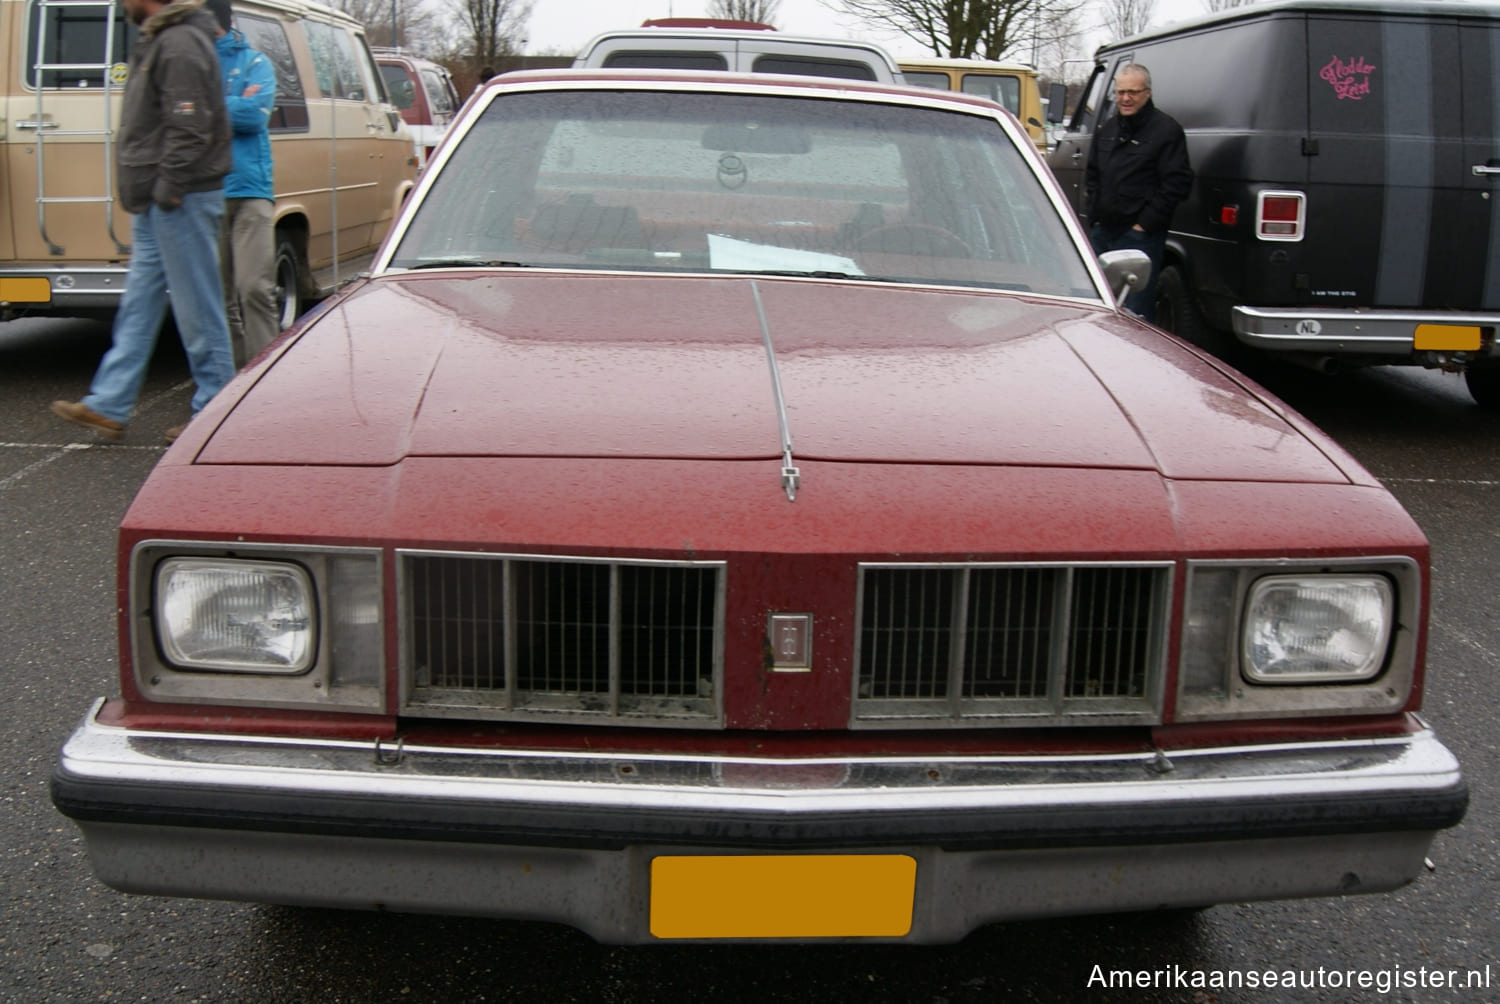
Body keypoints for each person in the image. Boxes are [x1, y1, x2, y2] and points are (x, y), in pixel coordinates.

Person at [51, 0, 235, 444]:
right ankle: (109, 404)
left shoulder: (179, 42)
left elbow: (189, 124)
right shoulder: (163, 38)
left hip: (179, 195)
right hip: (161, 196)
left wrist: (169, 186)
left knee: (198, 308)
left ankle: (218, 412)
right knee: (139, 302)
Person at [1083, 63, 1193, 323]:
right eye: (1120, 92)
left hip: (1138, 240)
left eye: (1132, 92)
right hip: (1103, 234)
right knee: (1100, 308)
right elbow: (1093, 176)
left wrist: (1143, 226)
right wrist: (1095, 216)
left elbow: (1177, 183)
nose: (1126, 98)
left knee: (1135, 314)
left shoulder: (1166, 131)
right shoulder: (1108, 130)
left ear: (1147, 93)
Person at [205, 0, 278, 365]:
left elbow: (254, 118)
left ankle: (264, 381)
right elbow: (182, 115)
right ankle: (226, 391)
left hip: (251, 189)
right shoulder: (194, 65)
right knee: (219, 298)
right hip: (206, 191)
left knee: (254, 289)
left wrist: (209, 106)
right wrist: (234, 101)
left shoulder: (255, 62)